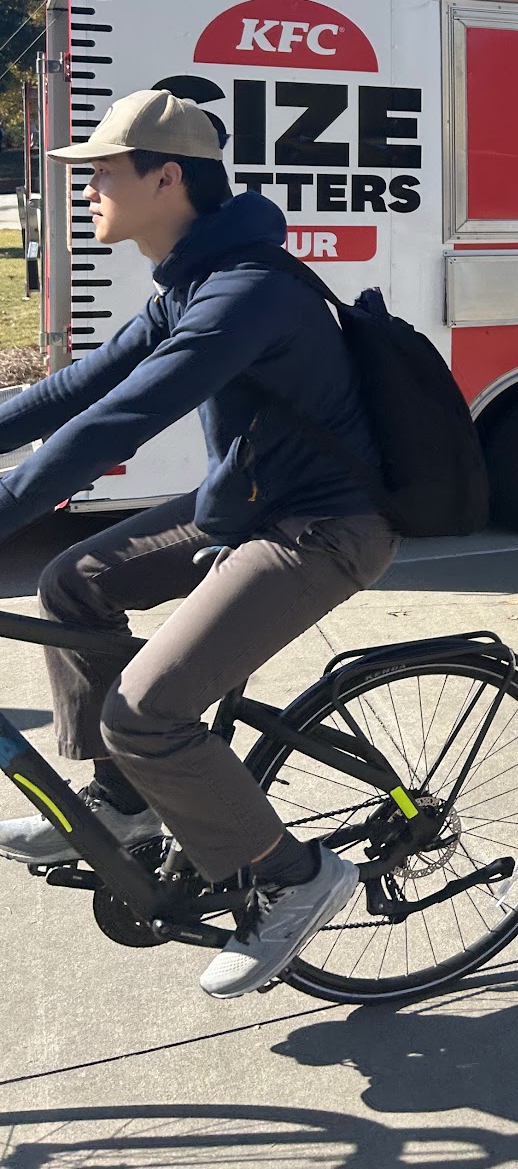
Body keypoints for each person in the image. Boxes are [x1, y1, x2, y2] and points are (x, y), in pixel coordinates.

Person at [0, 89, 399, 998]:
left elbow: (118, 425)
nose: (87, 189)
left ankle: (297, 879)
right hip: (251, 505)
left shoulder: (245, 292)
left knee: (144, 711)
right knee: (73, 584)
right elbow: (73, 392)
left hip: (324, 527)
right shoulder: (189, 278)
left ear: (166, 177)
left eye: (100, 172)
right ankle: (127, 805)